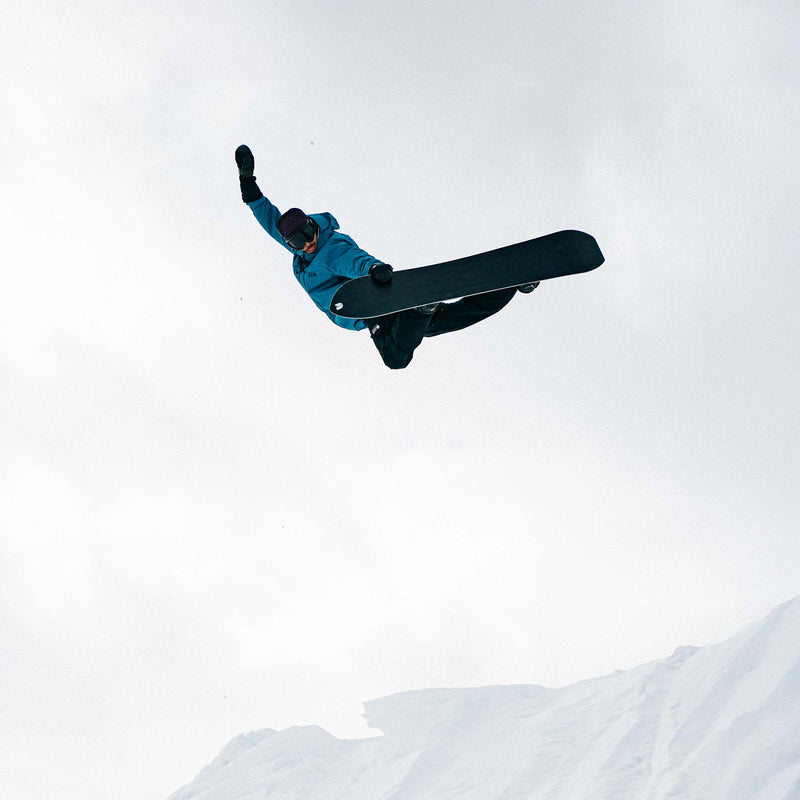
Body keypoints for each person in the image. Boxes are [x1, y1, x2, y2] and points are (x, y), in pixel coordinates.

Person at [235, 144, 538, 369]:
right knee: (459, 316)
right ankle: (509, 284)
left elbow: (354, 260)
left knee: (395, 358)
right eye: (298, 242)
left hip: (372, 308)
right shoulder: (299, 248)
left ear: (314, 225)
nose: (308, 245)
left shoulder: (329, 248)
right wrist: (247, 182)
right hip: (373, 312)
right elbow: (266, 215)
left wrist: (375, 269)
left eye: (309, 234)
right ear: (290, 243)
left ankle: (421, 310)